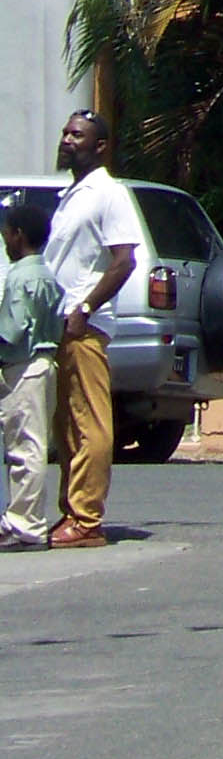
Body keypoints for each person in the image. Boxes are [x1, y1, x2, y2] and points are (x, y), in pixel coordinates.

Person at [41, 112, 139, 550]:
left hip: (84, 326)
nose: (67, 140)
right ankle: (70, 511)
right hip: (59, 324)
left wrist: (85, 306)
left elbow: (124, 261)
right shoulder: (72, 195)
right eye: (65, 133)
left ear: (100, 146)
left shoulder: (108, 194)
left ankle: (86, 520)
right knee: (65, 425)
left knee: (89, 423)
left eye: (77, 135)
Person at [0, 193, 63, 549]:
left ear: (19, 234)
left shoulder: (19, 278)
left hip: (22, 366)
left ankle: (26, 525)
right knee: (32, 443)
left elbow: (11, 330)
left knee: (25, 448)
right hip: (45, 363)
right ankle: (23, 519)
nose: (5, 241)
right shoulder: (47, 276)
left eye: (7, 234)